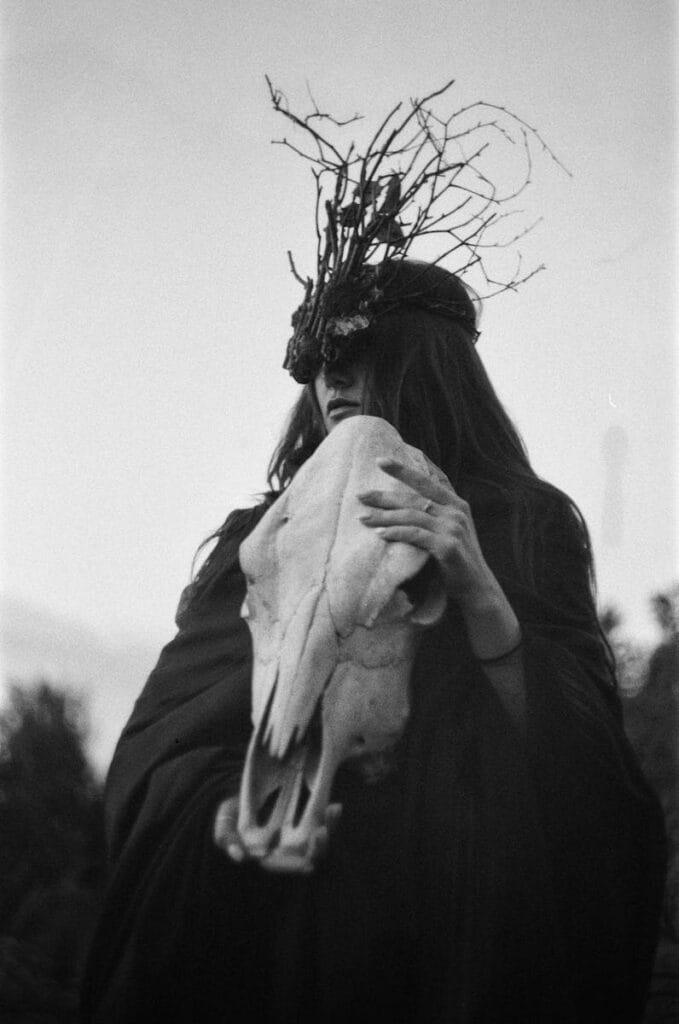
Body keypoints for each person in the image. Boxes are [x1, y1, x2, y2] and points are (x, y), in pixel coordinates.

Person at [80, 258, 665, 1023]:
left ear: (430, 366)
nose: (334, 381)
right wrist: (223, 813)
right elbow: (164, 739)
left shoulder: (524, 527)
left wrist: (480, 591)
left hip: (446, 935)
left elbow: (585, 774)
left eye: (360, 356)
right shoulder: (260, 542)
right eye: (320, 364)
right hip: (279, 934)